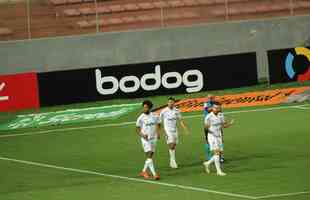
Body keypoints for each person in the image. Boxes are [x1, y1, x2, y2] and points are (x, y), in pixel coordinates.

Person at [203, 103, 233, 176]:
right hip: (212, 136)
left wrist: (230, 124)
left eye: (219, 108)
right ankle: (219, 171)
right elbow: (206, 128)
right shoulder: (208, 117)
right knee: (216, 153)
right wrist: (211, 133)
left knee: (219, 153)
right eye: (216, 108)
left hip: (218, 136)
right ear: (213, 108)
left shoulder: (221, 115)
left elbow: (223, 125)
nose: (217, 109)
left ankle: (207, 163)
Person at [159, 97, 189, 169]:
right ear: (167, 103)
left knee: (174, 145)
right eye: (169, 102)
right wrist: (161, 131)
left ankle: (171, 161)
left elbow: (180, 120)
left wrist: (185, 128)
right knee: (171, 145)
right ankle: (173, 161)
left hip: (175, 130)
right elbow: (159, 122)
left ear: (174, 103)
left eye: (172, 102)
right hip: (168, 130)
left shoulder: (177, 111)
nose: (170, 103)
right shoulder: (164, 111)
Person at [136, 100, 160, 180]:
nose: (144, 109)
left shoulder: (155, 115)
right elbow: (137, 129)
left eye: (146, 107)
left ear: (149, 108)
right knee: (149, 155)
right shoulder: (141, 117)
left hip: (154, 138)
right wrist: (142, 135)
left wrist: (158, 133)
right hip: (145, 139)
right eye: (144, 107)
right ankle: (154, 174)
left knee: (150, 157)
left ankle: (143, 171)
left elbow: (158, 124)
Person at [203, 95, 216, 161]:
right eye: (209, 98)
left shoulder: (215, 104)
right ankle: (209, 157)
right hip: (208, 124)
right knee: (208, 141)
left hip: (216, 124)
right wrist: (215, 107)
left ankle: (220, 156)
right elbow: (207, 110)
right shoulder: (206, 103)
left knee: (219, 139)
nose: (210, 99)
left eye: (212, 98)